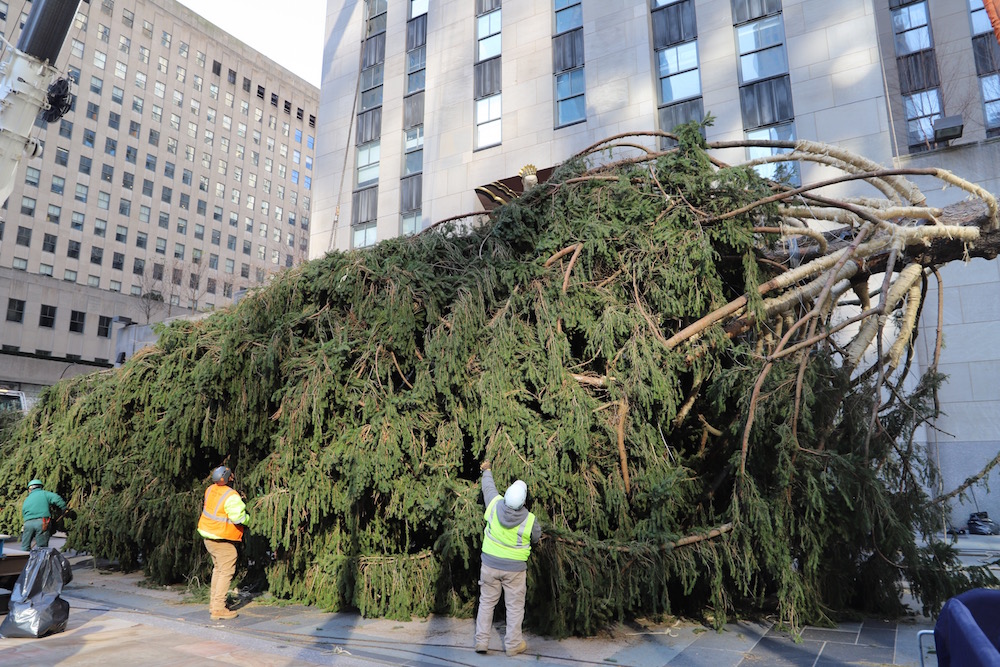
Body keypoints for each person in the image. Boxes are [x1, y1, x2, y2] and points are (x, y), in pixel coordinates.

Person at [474, 460, 541, 657]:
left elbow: (489, 488)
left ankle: (481, 642)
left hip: (489, 565)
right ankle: (513, 644)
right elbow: (536, 538)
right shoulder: (530, 520)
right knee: (514, 607)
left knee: (486, 603)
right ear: (523, 501)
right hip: (515, 570)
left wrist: (487, 470)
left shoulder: (495, 505)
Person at [196, 465, 250, 621]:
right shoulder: (231, 496)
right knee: (226, 570)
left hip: (208, 536)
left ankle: (214, 604)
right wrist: (251, 520)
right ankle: (219, 609)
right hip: (220, 537)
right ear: (227, 478)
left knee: (218, 570)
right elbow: (238, 518)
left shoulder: (210, 489)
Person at [21, 479, 67, 551]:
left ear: (30, 489)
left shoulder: (27, 499)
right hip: (42, 523)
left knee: (25, 546)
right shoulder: (45, 494)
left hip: (28, 524)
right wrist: (64, 508)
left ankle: (23, 560)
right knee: (42, 548)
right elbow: (57, 499)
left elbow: (23, 511)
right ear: (40, 487)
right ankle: (41, 561)